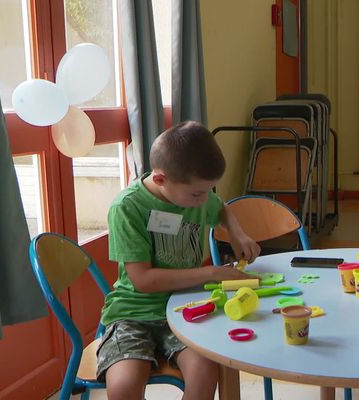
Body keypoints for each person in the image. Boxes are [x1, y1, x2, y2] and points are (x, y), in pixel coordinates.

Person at [96, 121, 261, 400]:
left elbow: (219, 207)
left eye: (208, 191)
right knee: (124, 386)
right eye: (197, 194)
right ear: (160, 180)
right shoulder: (127, 207)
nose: (203, 200)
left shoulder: (195, 194)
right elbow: (143, 281)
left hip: (187, 308)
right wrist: (211, 273)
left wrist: (237, 233)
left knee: (206, 372)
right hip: (132, 314)